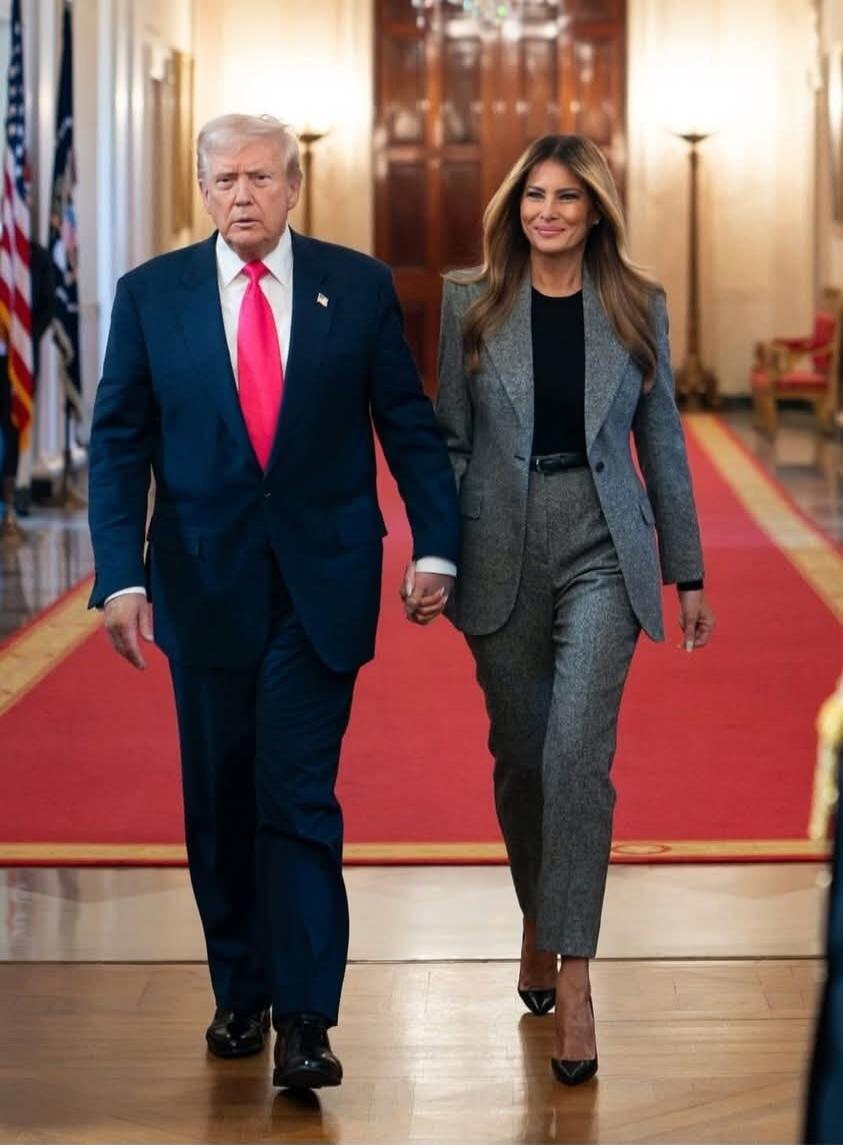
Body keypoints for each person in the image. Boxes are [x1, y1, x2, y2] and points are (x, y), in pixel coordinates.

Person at [88, 113, 458, 1090]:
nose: (241, 195)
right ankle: (240, 989)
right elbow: (119, 441)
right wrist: (119, 572)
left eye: (259, 176)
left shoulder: (361, 287)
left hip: (321, 585)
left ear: (294, 187)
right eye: (222, 180)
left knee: (297, 794)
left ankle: (304, 1018)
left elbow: (408, 425)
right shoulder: (151, 295)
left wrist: (440, 543)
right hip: (202, 585)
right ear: (201, 191)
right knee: (221, 798)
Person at [435, 134, 715, 1086]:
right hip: (499, 545)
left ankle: (579, 972)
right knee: (520, 760)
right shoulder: (467, 302)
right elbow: (451, 442)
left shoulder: (638, 305)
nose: (547, 211)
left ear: (595, 210)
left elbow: (662, 438)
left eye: (566, 198)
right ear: (516, 207)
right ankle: (536, 915)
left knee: (574, 758)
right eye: (533, 196)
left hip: (604, 539)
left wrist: (687, 569)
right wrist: (441, 549)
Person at [0, 240, 56, 537]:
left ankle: (8, 505)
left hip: (18, 360)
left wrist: (23, 340)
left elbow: (48, 305)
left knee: (12, 430)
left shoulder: (35, 256)